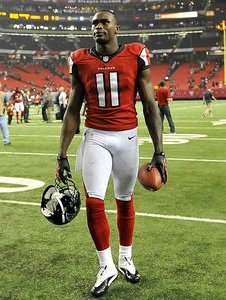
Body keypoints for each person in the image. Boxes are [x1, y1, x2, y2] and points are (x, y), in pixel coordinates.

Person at [56, 10, 167, 298]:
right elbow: (72, 110)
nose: (98, 27)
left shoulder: (135, 54)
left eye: (104, 22)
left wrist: (160, 151)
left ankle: (126, 257)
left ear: (117, 27)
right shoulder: (80, 59)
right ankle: (106, 266)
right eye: (94, 23)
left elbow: (150, 104)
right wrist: (61, 153)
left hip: (127, 136)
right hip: (96, 136)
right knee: (94, 202)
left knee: (124, 200)